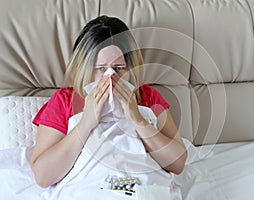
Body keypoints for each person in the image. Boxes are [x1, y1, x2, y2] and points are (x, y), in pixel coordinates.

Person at [30, 15, 187, 189]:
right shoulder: (65, 100)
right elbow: (43, 176)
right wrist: (86, 123)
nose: (110, 77)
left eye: (119, 68)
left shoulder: (147, 96)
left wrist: (138, 120)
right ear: (85, 69)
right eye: (100, 69)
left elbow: (177, 164)